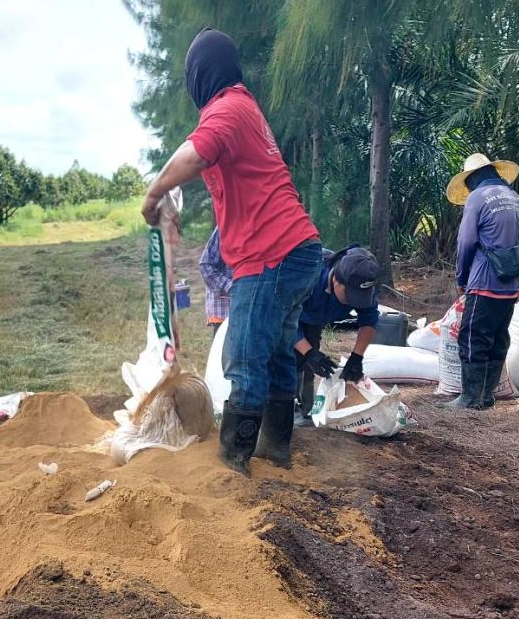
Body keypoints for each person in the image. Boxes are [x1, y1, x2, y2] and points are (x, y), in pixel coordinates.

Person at [141, 28, 322, 473]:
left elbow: (196, 153)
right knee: (278, 352)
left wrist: (153, 194)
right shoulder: (245, 109)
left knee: (243, 356)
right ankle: (276, 448)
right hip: (298, 250)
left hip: (272, 254)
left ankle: (233, 460)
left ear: (201, 75)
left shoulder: (228, 108)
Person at [445, 152, 519, 409]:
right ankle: (487, 395)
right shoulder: (516, 198)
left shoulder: (477, 199)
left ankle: (470, 397)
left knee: (472, 337)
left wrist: (461, 277)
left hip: (485, 281)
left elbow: (466, 242)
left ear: (471, 179)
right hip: (513, 282)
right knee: (498, 335)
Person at [295, 245, 381, 417]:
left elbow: (369, 319)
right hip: (287, 315)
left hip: (313, 318)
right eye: (350, 296)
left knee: (311, 360)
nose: (353, 302)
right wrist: (308, 352)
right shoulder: (308, 276)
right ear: (335, 279)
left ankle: (307, 409)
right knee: (288, 360)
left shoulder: (362, 283)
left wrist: (357, 357)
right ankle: (282, 409)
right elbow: (283, 321)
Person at [198, 226, 232, 334]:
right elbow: (205, 265)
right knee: (222, 350)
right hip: (224, 312)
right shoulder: (226, 226)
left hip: (246, 311)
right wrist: (231, 287)